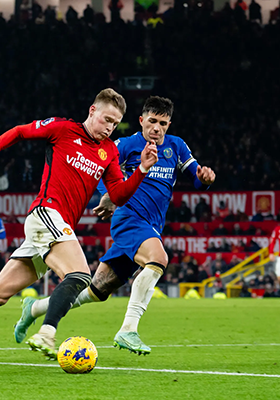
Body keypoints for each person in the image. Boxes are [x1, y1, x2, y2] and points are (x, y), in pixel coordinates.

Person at [0, 88, 158, 366]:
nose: (109, 128)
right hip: (46, 213)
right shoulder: (63, 129)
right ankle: (47, 333)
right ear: (92, 110)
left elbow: (118, 195)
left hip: (56, 227)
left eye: (115, 123)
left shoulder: (108, 151)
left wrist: (142, 170)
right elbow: (20, 132)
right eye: (107, 119)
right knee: (80, 275)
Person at [15, 96, 215, 355]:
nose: (157, 128)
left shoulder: (176, 146)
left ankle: (34, 308)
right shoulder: (126, 145)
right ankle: (128, 329)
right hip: (129, 219)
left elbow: (196, 177)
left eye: (163, 123)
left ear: (169, 125)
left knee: (97, 290)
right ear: (141, 120)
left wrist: (204, 179)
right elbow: (100, 169)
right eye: (152, 121)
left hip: (152, 226)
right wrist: (108, 196)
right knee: (158, 259)